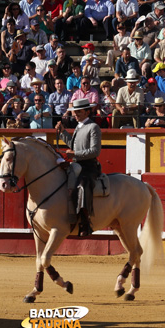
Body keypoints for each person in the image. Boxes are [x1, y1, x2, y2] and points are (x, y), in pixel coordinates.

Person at [56, 98, 102, 237]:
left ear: (87, 111)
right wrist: (63, 132)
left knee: (82, 185)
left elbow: (95, 151)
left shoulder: (93, 127)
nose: (75, 114)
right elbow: (73, 145)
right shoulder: (79, 126)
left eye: (78, 112)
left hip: (89, 166)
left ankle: (84, 222)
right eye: (74, 112)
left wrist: (75, 154)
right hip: (76, 165)